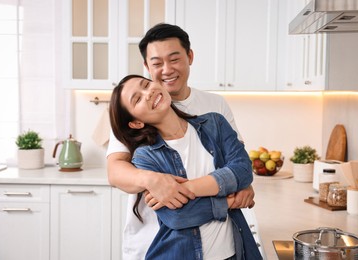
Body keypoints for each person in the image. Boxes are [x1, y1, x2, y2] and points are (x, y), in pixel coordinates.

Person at [106, 23, 256, 259]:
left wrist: (238, 182)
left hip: (221, 245)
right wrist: (154, 180)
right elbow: (115, 171)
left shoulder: (214, 109)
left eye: (174, 59)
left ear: (190, 57)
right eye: (156, 63)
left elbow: (239, 163)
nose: (166, 70)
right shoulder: (137, 123)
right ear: (147, 66)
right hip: (156, 241)